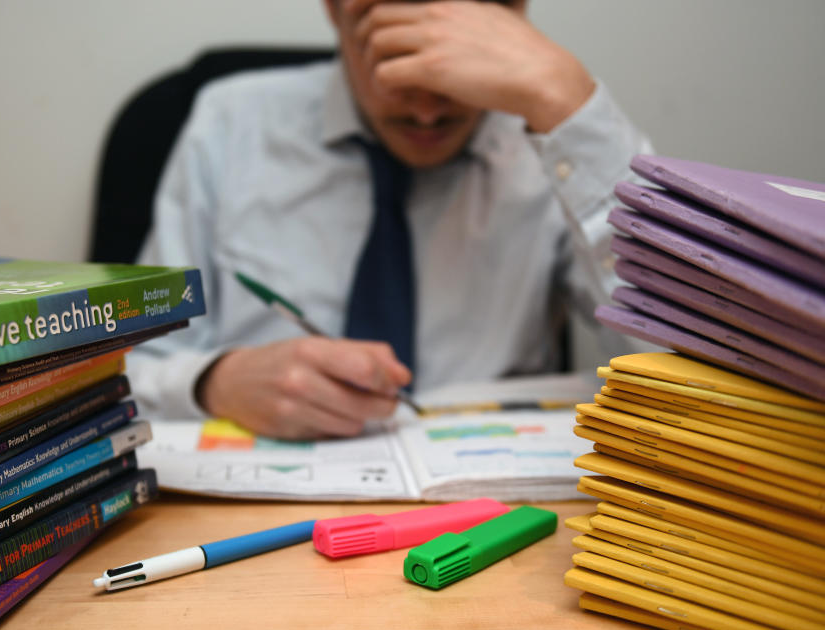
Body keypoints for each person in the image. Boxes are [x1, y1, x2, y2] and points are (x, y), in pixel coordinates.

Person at [130, 0, 652, 439]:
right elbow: (120, 376)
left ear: (512, 16)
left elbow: (682, 376)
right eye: (391, 51)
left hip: (498, 512)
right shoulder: (229, 126)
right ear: (336, 9)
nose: (426, 112)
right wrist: (213, 382)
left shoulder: (559, 144)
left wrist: (569, 105)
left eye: (450, 58)